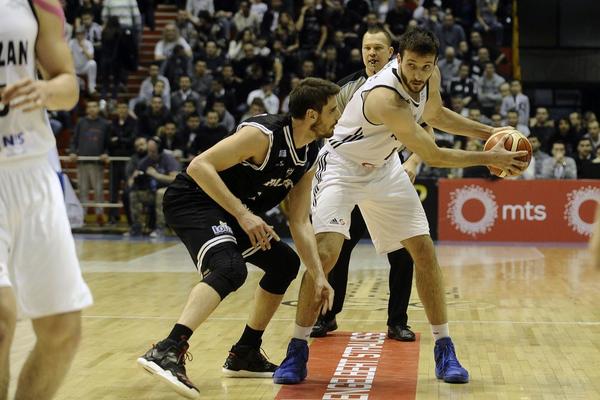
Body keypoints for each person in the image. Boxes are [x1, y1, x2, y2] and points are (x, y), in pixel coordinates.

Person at [274, 27, 527, 386]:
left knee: (423, 251)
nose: (418, 75)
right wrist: (489, 156)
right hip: (342, 168)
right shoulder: (384, 96)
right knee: (327, 253)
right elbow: (433, 155)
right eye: (411, 66)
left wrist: (492, 132)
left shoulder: (429, 75)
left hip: (384, 168)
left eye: (426, 67)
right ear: (398, 60)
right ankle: (297, 348)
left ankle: (444, 348)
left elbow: (437, 115)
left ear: (434, 63)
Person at [136, 78, 339, 398]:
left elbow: (299, 221)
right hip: (193, 200)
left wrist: (318, 275)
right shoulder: (263, 135)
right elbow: (199, 166)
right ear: (312, 115)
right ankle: (167, 349)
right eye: (332, 109)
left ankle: (245, 352)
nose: (337, 115)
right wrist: (244, 214)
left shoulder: (310, 151)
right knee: (229, 268)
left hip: (233, 214)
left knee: (284, 263)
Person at [0, 1, 93, 398]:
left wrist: (44, 90)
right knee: (1, 319)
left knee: (62, 331)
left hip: (33, 168)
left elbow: (68, 85)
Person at [311, 26, 417, 342]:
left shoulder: (407, 87)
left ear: (391, 54)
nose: (371, 53)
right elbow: (326, 131)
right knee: (335, 249)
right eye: (366, 47)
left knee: (403, 252)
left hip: (386, 179)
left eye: (378, 48)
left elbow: (426, 127)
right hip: (350, 180)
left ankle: (398, 321)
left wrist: (413, 161)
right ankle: (326, 316)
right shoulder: (346, 89)